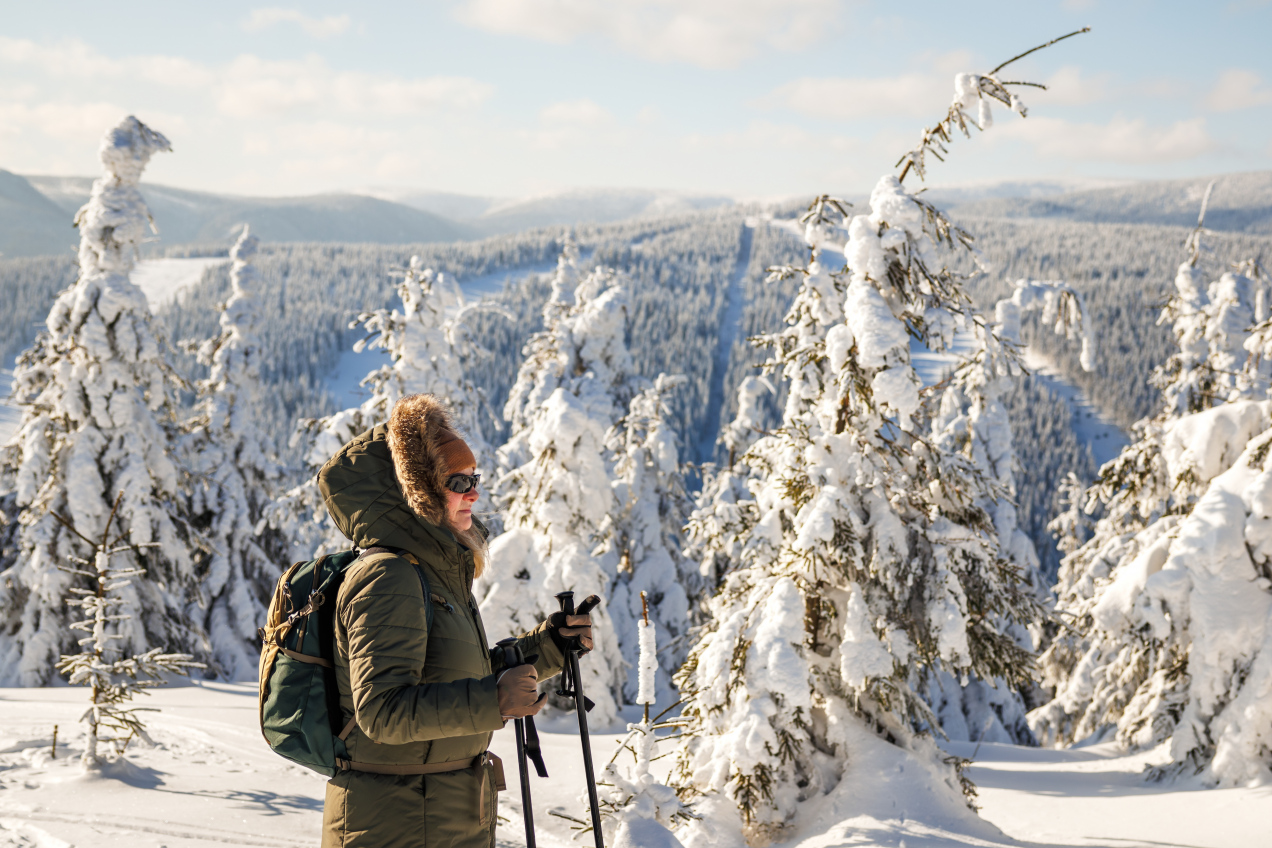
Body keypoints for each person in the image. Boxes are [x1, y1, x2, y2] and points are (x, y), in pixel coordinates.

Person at [317, 393, 593, 848]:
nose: (474, 493)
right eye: (459, 481)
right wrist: (493, 701)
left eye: (474, 478)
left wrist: (548, 647)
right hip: (398, 825)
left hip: (439, 811)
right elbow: (383, 712)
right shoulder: (387, 575)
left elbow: (452, 674)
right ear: (417, 491)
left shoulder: (434, 572)